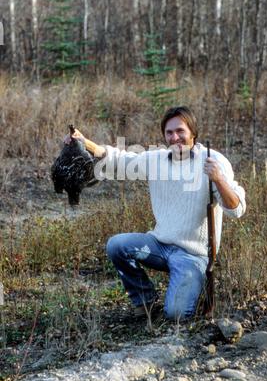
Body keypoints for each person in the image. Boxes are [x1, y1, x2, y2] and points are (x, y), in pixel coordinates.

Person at [68, 106, 246, 321]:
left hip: (194, 254)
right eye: (169, 132)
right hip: (159, 245)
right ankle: (145, 302)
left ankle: (191, 286)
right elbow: (117, 159)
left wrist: (218, 178)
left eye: (180, 131)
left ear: (193, 132)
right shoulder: (157, 160)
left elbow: (236, 209)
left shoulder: (213, 161)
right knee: (117, 245)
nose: (175, 137)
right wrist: (83, 142)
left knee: (177, 315)